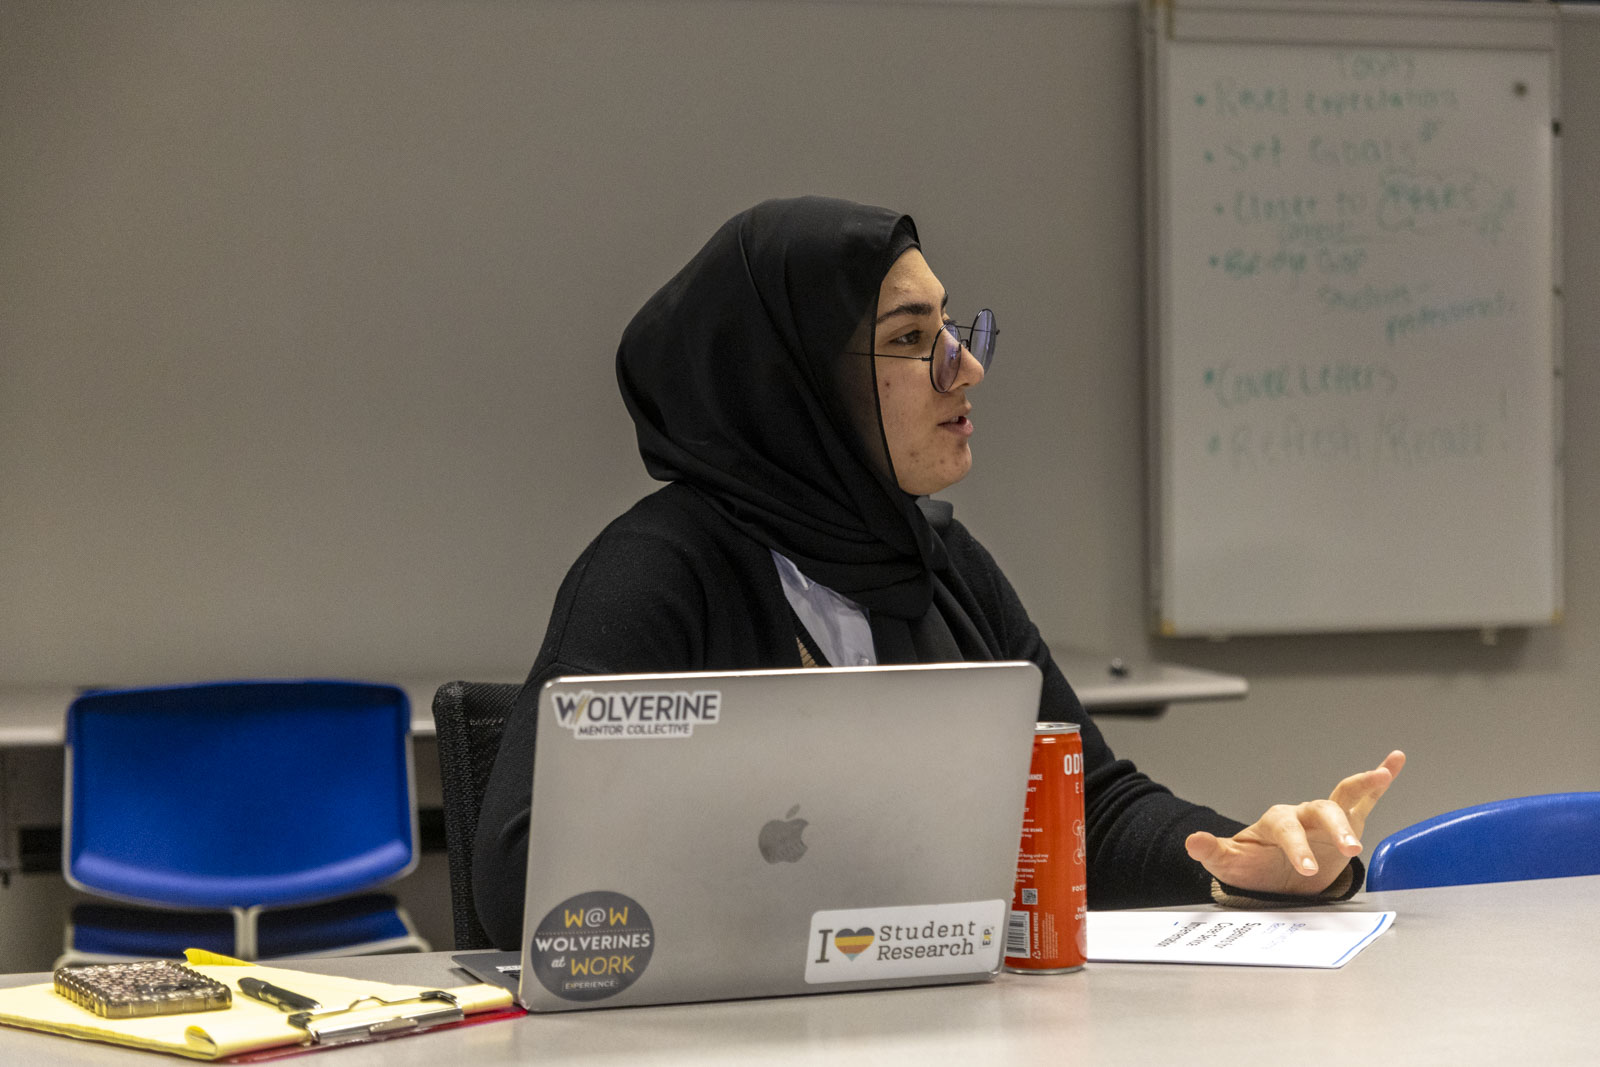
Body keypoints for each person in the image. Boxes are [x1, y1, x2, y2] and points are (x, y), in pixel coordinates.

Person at [472, 195, 1405, 949]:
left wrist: (1238, 858)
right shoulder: (656, 573)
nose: (966, 370)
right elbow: (520, 872)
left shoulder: (938, 559)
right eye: (915, 339)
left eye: (955, 330)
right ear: (792, 380)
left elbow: (1088, 809)